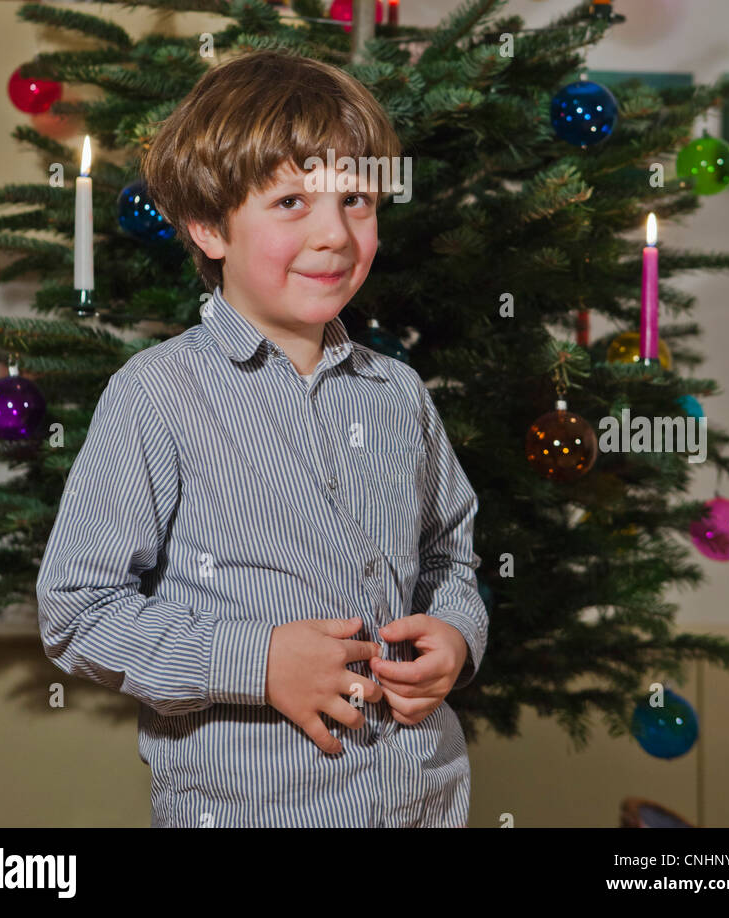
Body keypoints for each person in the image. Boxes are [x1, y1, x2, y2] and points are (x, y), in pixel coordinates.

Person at [36, 49, 488, 828]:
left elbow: (453, 555)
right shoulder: (156, 396)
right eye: (290, 203)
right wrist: (258, 660)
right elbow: (78, 610)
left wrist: (457, 633)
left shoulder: (399, 394)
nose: (335, 234)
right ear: (209, 226)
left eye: (356, 198)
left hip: (422, 803)